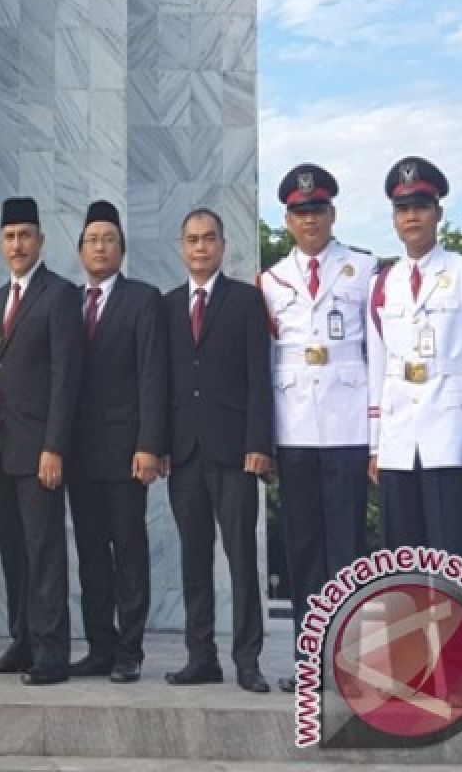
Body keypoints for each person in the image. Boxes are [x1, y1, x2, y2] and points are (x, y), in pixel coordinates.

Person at [259, 165, 375, 694]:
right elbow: (263, 364)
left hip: (349, 428)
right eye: (300, 212)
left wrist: (379, 436)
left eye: (318, 210)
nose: (310, 220)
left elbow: (383, 354)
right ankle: (311, 662)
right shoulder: (270, 280)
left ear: (333, 214)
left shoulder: (365, 270)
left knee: (347, 548)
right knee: (302, 550)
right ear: (287, 219)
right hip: (296, 431)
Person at [367, 157, 462, 569]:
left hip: (449, 434)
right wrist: (375, 444)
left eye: (421, 208)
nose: (412, 218)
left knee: (452, 556)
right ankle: (409, 636)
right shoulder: (382, 282)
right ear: (393, 219)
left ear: (437, 213)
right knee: (401, 559)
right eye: (403, 209)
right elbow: (379, 367)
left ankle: (460, 636)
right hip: (398, 438)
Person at [163, 207, 273, 693]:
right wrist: (159, 444)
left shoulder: (247, 301)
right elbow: (160, 382)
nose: (201, 247)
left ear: (223, 245)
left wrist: (258, 443)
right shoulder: (165, 307)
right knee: (193, 558)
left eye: (209, 238)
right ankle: (200, 655)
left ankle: (247, 659)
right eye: (192, 240)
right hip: (184, 453)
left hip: (235, 453)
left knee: (241, 557)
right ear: (182, 247)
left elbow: (259, 379)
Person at [0, 196, 83, 686]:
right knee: (14, 553)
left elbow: (67, 377)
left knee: (44, 553)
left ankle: (51, 654)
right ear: (1, 243)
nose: (17, 244)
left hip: (41, 451)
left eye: (25, 235)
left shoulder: (60, 295)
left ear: (41, 241)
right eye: (9, 236)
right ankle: (22, 641)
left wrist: (55, 446)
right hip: (3, 452)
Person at [67, 200, 167, 684]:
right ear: (80, 250)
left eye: (109, 239)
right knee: (89, 554)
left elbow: (152, 376)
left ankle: (130, 650)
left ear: (122, 249)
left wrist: (150, 445)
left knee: (128, 551)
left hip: (128, 452)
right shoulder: (67, 301)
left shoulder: (142, 300)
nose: (100, 246)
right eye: (92, 240)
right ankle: (98, 647)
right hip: (79, 455)